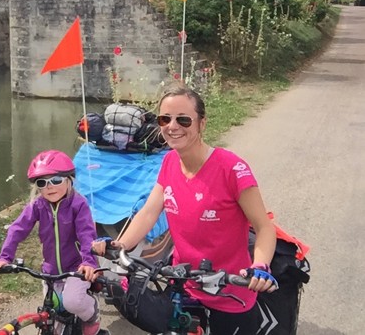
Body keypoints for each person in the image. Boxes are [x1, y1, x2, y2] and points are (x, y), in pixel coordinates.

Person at [93, 86, 277, 334]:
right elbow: (149, 212)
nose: (172, 126)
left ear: (202, 123)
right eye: (165, 119)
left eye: (183, 119)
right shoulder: (169, 161)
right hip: (184, 285)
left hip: (231, 291)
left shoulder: (232, 169)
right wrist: (120, 245)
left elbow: (264, 226)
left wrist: (261, 267)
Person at [0, 150, 102, 335]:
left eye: (56, 180)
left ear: (69, 180)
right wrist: (5, 257)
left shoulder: (78, 204)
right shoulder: (38, 205)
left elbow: (86, 235)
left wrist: (88, 262)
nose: (49, 187)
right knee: (52, 313)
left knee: (73, 302)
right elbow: (17, 229)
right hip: (50, 270)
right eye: (42, 183)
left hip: (77, 267)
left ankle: (92, 315)